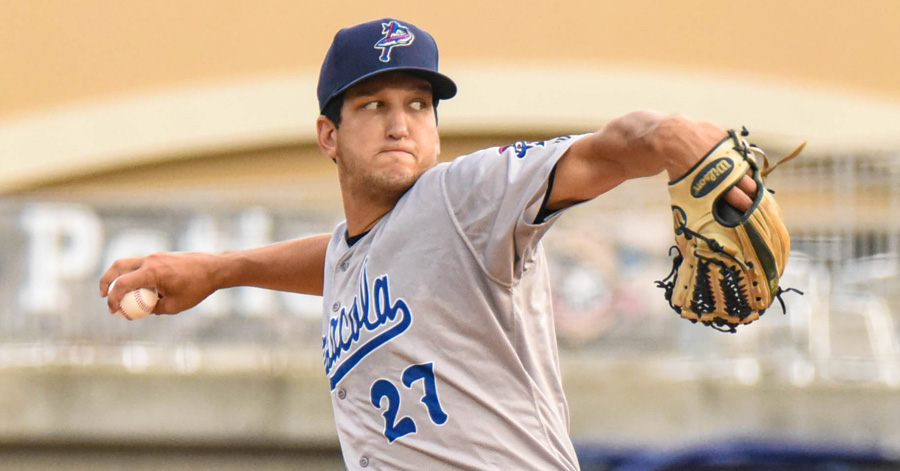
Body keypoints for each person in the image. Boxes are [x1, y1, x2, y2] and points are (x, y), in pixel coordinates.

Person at [101, 18, 758, 471]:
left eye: (418, 105)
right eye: (373, 105)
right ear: (329, 135)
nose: (400, 124)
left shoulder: (465, 195)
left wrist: (670, 136)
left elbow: (606, 149)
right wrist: (220, 269)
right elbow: (338, 257)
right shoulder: (359, 252)